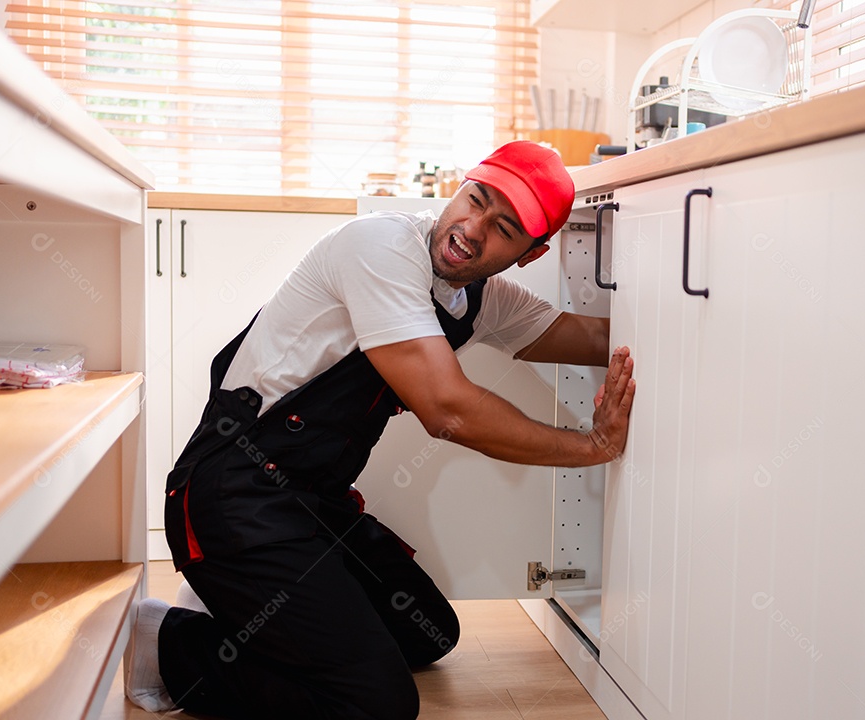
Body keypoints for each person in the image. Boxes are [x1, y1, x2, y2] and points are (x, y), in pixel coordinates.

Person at [125, 140, 636, 720]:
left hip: (310, 504)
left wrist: (701, 316)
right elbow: (448, 410)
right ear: (463, 184)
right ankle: (168, 643)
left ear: (530, 253)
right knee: (377, 705)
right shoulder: (382, 248)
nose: (472, 228)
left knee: (429, 633)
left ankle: (244, 612)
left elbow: (592, 338)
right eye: (476, 199)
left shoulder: (480, 298)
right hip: (231, 499)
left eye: (504, 227)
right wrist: (591, 447)